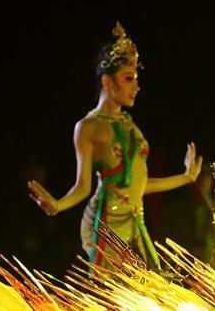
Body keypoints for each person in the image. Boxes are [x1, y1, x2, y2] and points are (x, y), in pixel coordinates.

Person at [27, 23, 203, 269]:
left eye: (137, 79)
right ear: (107, 82)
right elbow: (82, 186)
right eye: (128, 79)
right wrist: (57, 205)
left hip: (134, 219)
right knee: (114, 293)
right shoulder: (88, 127)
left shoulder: (130, 125)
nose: (136, 87)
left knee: (155, 287)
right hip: (106, 220)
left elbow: (138, 184)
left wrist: (186, 178)